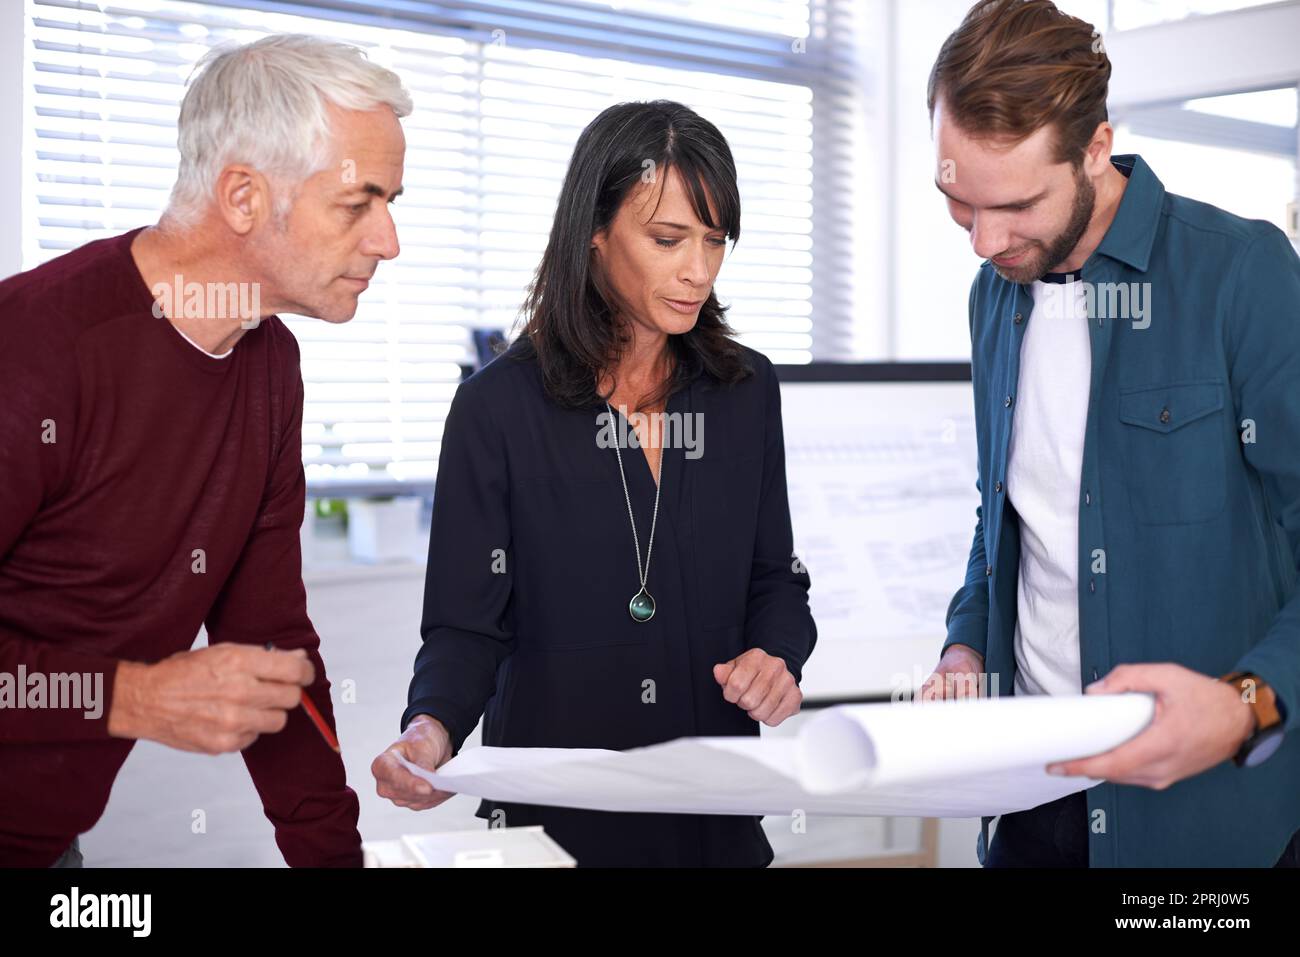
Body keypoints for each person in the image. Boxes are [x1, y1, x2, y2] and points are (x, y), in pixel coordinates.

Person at [371, 100, 817, 866]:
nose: (699, 270)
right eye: (668, 239)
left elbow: (775, 578)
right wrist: (432, 729)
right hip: (556, 828)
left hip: (716, 815)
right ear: (595, 234)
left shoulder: (745, 391)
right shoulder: (497, 409)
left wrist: (777, 655)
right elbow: (465, 628)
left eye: (716, 241)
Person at [0, 34, 409, 867]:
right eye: (359, 202)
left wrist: (334, 859)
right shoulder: (36, 347)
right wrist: (131, 695)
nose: (388, 241)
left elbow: (273, 650)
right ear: (244, 196)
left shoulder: (269, 369)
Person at [920, 0, 1300, 866]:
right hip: (1029, 808)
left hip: (1211, 827)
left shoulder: (1244, 276)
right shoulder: (995, 297)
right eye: (957, 203)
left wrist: (1248, 704)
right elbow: (1004, 519)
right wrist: (964, 643)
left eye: (1013, 204)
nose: (983, 241)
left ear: (1096, 148)